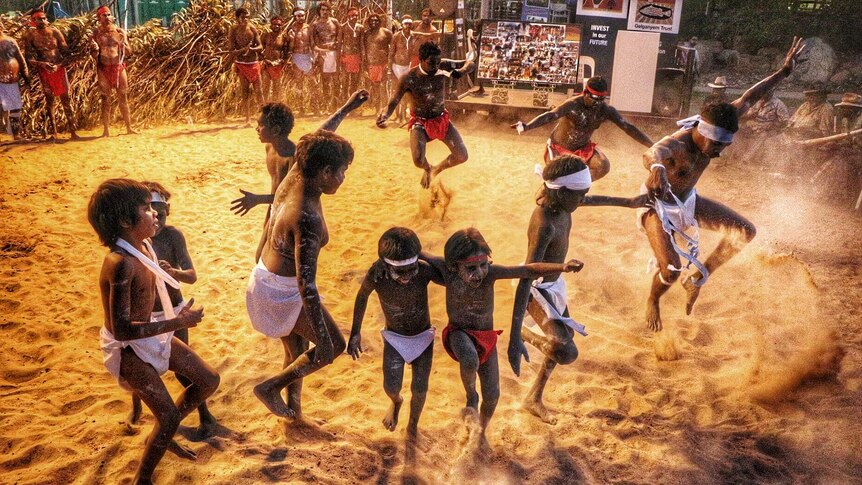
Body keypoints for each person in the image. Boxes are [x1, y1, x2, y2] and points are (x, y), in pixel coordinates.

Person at [639, 38, 805, 332]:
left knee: (745, 231)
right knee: (671, 268)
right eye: (715, 145)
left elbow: (751, 96)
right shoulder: (677, 143)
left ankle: (699, 278)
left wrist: (784, 72)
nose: (719, 152)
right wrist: (655, 168)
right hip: (658, 207)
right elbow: (655, 150)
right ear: (701, 133)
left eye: (724, 146)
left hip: (688, 201)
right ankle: (653, 300)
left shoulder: (721, 123)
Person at [89, 179, 219, 484]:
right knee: (170, 416)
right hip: (128, 350)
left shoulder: (143, 245)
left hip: (151, 336)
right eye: (147, 208)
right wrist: (177, 323)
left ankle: (162, 430)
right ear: (124, 221)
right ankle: (142, 479)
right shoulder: (120, 263)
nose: (155, 214)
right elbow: (122, 331)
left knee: (209, 380)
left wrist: (175, 316)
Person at [419, 228, 583, 449]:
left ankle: (480, 431)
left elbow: (528, 270)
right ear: (454, 266)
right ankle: (470, 397)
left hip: (487, 338)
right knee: (469, 359)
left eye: (483, 264)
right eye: (471, 268)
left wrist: (562, 267)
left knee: (493, 395)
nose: (479, 272)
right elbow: (418, 253)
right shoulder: (446, 272)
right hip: (459, 334)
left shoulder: (492, 273)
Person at [248, 130, 353, 419]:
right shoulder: (307, 218)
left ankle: (294, 412)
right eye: (342, 171)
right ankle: (270, 388)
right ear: (325, 171)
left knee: (297, 353)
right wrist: (324, 339)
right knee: (333, 345)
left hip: (266, 279)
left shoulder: (296, 173)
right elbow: (307, 285)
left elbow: (317, 139)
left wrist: (349, 107)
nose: (344, 177)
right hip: (282, 290)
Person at [230, 89, 369, 263]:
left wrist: (347, 108)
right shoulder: (270, 148)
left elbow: (287, 194)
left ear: (275, 129)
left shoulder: (294, 155)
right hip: (275, 207)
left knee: (276, 259)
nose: (257, 128)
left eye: (260, 124)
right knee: (261, 257)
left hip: (289, 212)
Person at [125, 181, 218, 437]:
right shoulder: (133, 242)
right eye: (151, 213)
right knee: (142, 370)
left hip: (174, 311)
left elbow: (191, 275)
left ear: (168, 211)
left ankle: (204, 414)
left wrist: (174, 272)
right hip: (144, 317)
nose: (157, 220)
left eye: (162, 214)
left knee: (186, 369)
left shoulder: (173, 236)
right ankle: (136, 407)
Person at [508, 155, 592, 425]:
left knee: (563, 344)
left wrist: (632, 203)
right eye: (580, 195)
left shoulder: (564, 205)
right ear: (563, 191)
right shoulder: (545, 223)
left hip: (554, 284)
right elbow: (527, 274)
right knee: (565, 350)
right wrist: (514, 334)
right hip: (536, 287)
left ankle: (533, 397)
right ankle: (521, 333)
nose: (584, 201)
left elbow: (593, 199)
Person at [347, 227, 443, 439]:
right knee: (391, 386)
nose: (407, 277)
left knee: (420, 389)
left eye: (412, 269)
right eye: (400, 272)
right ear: (385, 264)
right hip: (395, 339)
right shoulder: (377, 275)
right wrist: (355, 333)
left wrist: (423, 256)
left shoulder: (424, 270)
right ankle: (396, 402)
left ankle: (412, 425)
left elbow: (449, 276)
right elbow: (362, 297)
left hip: (423, 338)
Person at [512, 76, 654, 182]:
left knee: (603, 166)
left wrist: (653, 146)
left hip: (583, 148)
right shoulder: (572, 104)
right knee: (554, 179)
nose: (597, 103)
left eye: (601, 99)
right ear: (585, 93)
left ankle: (577, 184)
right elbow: (550, 116)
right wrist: (527, 126)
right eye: (594, 98)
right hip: (558, 148)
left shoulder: (605, 110)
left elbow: (628, 127)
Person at [377, 41, 474, 189]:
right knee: (418, 160)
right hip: (420, 123)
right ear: (421, 60)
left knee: (462, 156)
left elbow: (470, 63)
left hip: (441, 119)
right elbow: (394, 101)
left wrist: (462, 71)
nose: (435, 66)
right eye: (431, 63)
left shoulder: (443, 65)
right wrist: (384, 115)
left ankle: (436, 170)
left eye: (437, 62)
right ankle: (428, 168)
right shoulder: (408, 78)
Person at [23, 9, 79, 139]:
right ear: (33, 21)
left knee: (65, 99)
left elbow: (66, 52)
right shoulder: (30, 36)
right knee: (50, 100)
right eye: (38, 19)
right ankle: (54, 132)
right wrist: (42, 64)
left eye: (43, 18)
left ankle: (73, 132)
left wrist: (61, 63)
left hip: (59, 69)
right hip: (44, 71)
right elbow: (28, 57)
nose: (42, 21)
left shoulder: (55, 32)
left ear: (46, 19)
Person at [90, 5, 134, 137]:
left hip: (118, 67)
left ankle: (129, 128)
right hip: (103, 68)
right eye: (104, 15)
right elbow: (93, 55)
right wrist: (95, 49)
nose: (107, 17)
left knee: (123, 97)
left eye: (109, 14)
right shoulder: (95, 34)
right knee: (105, 99)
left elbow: (129, 52)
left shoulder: (120, 32)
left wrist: (123, 44)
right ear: (98, 18)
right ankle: (106, 130)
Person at [228, 7, 265, 125]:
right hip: (242, 64)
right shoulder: (233, 30)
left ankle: (264, 117)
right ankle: (247, 118)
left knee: (259, 91)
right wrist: (242, 50)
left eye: (247, 17)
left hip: (253, 63)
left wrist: (252, 49)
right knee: (245, 91)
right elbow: (231, 50)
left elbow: (260, 47)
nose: (245, 19)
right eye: (243, 17)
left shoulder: (252, 28)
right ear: (237, 18)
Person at [0, 24, 29, 140]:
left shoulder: (11, 41)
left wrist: (26, 77)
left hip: (12, 80)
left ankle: (16, 134)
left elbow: (21, 59)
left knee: (15, 108)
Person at [310, 2, 340, 114]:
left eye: (327, 9)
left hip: (335, 54)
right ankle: (327, 106)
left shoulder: (335, 22)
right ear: (319, 11)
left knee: (336, 80)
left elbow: (340, 38)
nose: (325, 12)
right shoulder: (315, 24)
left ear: (329, 10)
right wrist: (322, 51)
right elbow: (313, 44)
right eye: (322, 9)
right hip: (323, 55)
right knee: (325, 81)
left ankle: (336, 106)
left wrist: (336, 48)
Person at [286, 8, 315, 116]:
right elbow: (290, 48)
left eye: (302, 15)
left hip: (307, 56)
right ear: (294, 17)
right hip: (297, 57)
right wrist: (292, 39)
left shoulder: (308, 28)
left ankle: (315, 107)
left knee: (313, 82)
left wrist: (313, 57)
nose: (300, 18)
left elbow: (312, 43)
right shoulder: (291, 29)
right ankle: (301, 108)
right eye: (298, 16)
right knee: (299, 84)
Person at [363, 14, 392, 116]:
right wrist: (365, 65)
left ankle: (385, 109)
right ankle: (377, 109)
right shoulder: (366, 34)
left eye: (376, 20)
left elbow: (392, 48)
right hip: (372, 64)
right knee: (375, 87)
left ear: (379, 21)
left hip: (383, 63)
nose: (374, 22)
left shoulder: (386, 32)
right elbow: (365, 49)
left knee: (383, 87)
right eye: (372, 21)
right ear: (369, 22)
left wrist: (389, 63)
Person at [388, 16, 415, 123]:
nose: (407, 26)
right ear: (402, 25)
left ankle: (403, 116)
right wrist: (389, 69)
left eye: (409, 24)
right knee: (397, 91)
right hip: (397, 67)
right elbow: (391, 53)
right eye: (405, 24)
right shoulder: (396, 36)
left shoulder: (414, 36)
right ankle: (398, 116)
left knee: (405, 92)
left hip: (408, 66)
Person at [338, 7, 364, 104]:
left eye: (356, 15)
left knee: (354, 81)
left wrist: (362, 57)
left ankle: (352, 102)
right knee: (345, 81)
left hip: (356, 57)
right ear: (348, 16)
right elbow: (340, 43)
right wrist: (339, 58)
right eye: (352, 15)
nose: (355, 17)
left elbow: (361, 43)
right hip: (346, 56)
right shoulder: (343, 27)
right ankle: (344, 102)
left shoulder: (360, 27)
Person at [260, 16, 288, 103]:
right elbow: (260, 49)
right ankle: (264, 107)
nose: (276, 26)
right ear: (270, 25)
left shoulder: (284, 37)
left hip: (278, 65)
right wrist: (264, 59)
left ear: (282, 25)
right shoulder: (266, 36)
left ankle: (276, 106)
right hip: (267, 64)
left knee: (277, 87)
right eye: (274, 24)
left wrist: (280, 61)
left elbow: (286, 53)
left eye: (278, 25)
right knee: (265, 87)